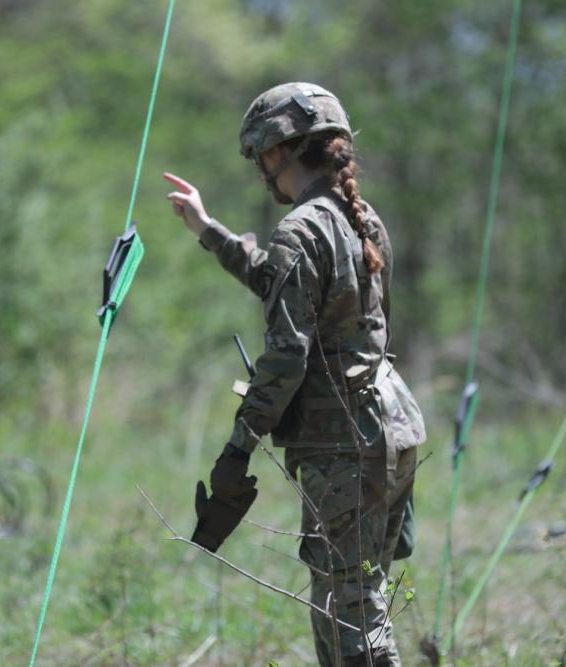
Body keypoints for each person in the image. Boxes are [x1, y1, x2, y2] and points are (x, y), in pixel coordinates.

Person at [164, 82, 426, 667]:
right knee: (355, 599)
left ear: (278, 152)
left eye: (260, 158)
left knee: (351, 613)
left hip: (346, 444)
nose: (262, 173)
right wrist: (209, 230)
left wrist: (238, 448)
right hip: (393, 427)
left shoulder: (301, 229)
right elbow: (283, 285)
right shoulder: (361, 219)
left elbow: (287, 356)